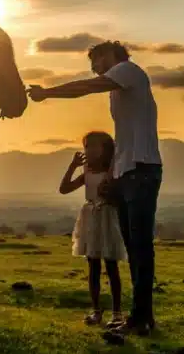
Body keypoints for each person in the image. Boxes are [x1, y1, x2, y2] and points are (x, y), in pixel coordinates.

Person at [29, 40, 162, 335]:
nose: (93, 69)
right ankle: (141, 317)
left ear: (109, 56)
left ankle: (142, 318)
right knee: (133, 247)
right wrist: (114, 175)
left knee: (140, 248)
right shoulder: (119, 90)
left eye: (95, 62)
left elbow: (86, 88)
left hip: (142, 171)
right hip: (129, 172)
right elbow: (124, 138)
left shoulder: (128, 71)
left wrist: (47, 93)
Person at [61, 131, 126, 329]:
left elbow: (119, 197)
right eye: (86, 146)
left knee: (111, 265)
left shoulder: (112, 172)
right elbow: (64, 189)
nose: (88, 150)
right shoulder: (87, 172)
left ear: (105, 149)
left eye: (92, 146)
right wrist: (72, 167)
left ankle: (117, 313)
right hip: (90, 217)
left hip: (107, 216)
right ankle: (96, 310)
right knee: (93, 265)